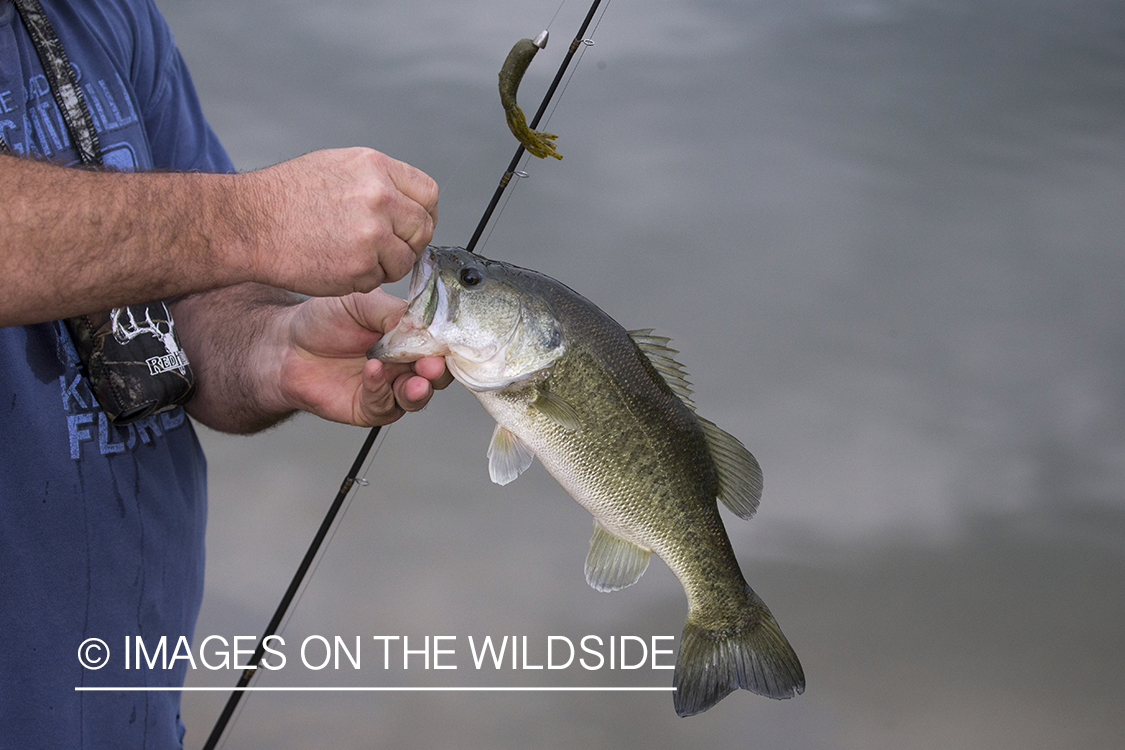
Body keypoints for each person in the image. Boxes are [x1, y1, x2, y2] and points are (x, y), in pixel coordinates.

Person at [0, 0, 450, 746]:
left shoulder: (102, 14)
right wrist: (249, 220)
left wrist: (274, 347)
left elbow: (189, 288)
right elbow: (222, 230)